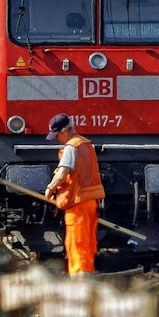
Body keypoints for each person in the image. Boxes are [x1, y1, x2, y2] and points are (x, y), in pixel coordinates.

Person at [44, 113, 105, 276]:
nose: (57, 139)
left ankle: (80, 280)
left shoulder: (71, 147)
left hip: (77, 203)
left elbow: (62, 173)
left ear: (65, 130)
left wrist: (50, 188)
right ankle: (87, 275)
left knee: (77, 243)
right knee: (88, 244)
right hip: (90, 202)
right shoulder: (85, 144)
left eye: (57, 135)